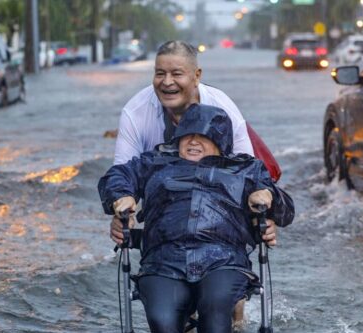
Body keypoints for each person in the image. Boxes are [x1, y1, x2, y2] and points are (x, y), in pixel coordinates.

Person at [98, 104, 295, 333]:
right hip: (163, 260)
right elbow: (116, 176)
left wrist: (268, 195)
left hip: (223, 260)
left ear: (221, 142)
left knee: (215, 305)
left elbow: (287, 212)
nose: (193, 142)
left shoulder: (246, 169)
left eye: (203, 137)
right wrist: (121, 196)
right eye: (187, 135)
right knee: (161, 315)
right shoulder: (154, 162)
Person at [110, 40, 280, 246]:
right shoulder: (136, 112)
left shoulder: (222, 108)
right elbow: (123, 173)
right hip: (165, 216)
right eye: (160, 73)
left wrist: (262, 216)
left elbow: (248, 172)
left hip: (219, 219)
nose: (167, 82)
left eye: (176, 74)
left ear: (197, 75)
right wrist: (121, 209)